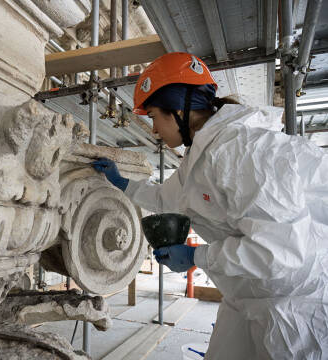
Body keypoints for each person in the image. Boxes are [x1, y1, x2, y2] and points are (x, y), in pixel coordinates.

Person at [92, 52, 328, 360]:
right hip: (248, 292)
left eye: (153, 116)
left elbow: (279, 252)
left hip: (294, 304)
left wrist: (196, 256)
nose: (153, 130)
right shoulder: (203, 155)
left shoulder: (242, 151)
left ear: (177, 109)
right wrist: (122, 183)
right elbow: (168, 198)